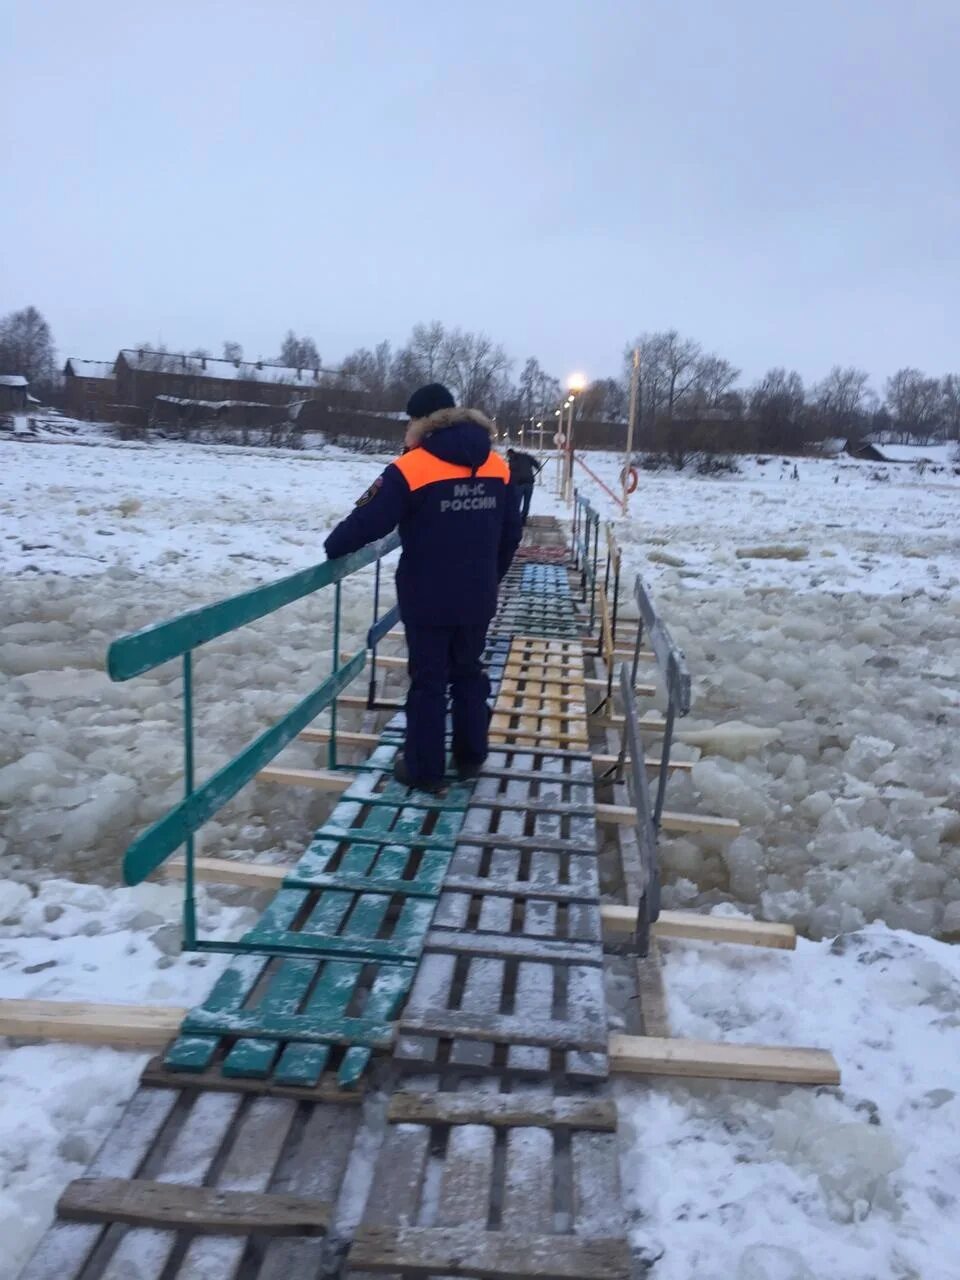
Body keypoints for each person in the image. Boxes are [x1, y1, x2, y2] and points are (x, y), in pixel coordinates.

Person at [324, 383, 522, 793]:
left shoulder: (413, 466)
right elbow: (510, 533)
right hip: (478, 594)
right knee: (468, 671)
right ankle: (470, 757)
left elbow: (369, 519)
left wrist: (334, 547)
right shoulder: (496, 464)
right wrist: (492, 576)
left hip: (428, 596)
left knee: (429, 681)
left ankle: (424, 770)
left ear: (421, 421)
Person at [506, 447, 542, 524]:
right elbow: (535, 463)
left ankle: (516, 519)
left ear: (510, 454)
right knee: (527, 502)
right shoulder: (525, 456)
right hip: (529, 483)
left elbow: (511, 475)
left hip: (519, 484)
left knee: (517, 502)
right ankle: (523, 518)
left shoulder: (512, 461)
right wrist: (538, 467)